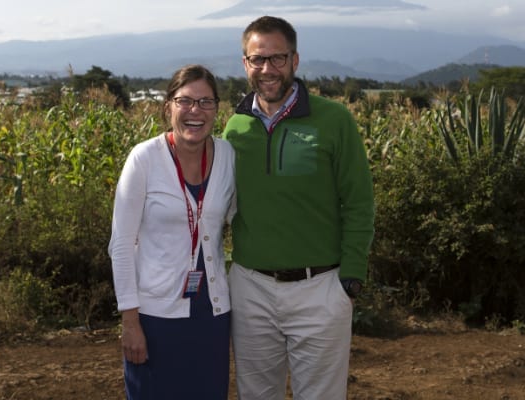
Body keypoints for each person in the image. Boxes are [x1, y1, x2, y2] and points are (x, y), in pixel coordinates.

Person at [223, 16, 375, 400]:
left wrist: (352, 275)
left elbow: (358, 201)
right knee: (256, 395)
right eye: (257, 59)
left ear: (295, 60)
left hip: (320, 288)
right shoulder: (234, 128)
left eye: (277, 58)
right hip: (250, 288)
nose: (267, 69)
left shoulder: (334, 120)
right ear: (245, 64)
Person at [108, 64, 235, 400]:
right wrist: (130, 322)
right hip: (155, 317)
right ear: (169, 107)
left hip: (212, 314)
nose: (196, 111)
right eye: (186, 101)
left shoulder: (227, 156)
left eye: (206, 102)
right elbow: (121, 245)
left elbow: (244, 218)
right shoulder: (144, 158)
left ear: (217, 109)